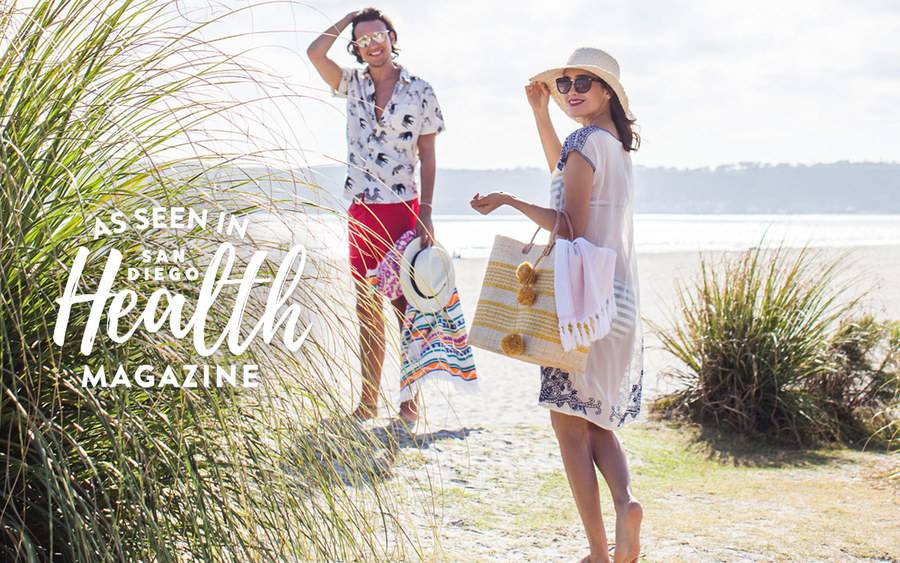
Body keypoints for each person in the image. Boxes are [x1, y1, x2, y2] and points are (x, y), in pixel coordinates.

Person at [470, 47, 644, 563]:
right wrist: (539, 114)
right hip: (618, 298)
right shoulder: (611, 144)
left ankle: (597, 550)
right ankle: (625, 504)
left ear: (607, 90)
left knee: (569, 425)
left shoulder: (584, 139)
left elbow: (569, 223)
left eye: (583, 82)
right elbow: (563, 176)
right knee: (597, 421)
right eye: (564, 83)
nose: (570, 90)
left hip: (579, 302)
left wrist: (509, 201)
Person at [307, 8, 445, 423]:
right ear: (355, 47)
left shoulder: (421, 90)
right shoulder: (351, 84)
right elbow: (314, 52)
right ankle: (367, 400)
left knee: (409, 308)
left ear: (391, 35)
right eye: (363, 40)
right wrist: (349, 16)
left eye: (379, 35)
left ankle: (409, 401)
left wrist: (427, 213)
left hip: (404, 212)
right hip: (362, 212)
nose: (373, 44)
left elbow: (428, 157)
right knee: (366, 309)